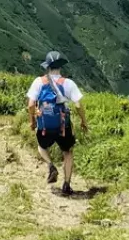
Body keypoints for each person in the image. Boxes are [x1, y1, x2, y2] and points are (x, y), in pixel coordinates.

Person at [27, 51, 88, 196]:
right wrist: (83, 121)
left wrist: (33, 121)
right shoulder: (68, 83)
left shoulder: (39, 82)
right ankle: (67, 184)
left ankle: (50, 164)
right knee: (67, 152)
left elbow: (30, 105)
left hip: (44, 126)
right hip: (63, 126)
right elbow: (78, 105)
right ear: (60, 66)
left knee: (41, 146)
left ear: (47, 67)